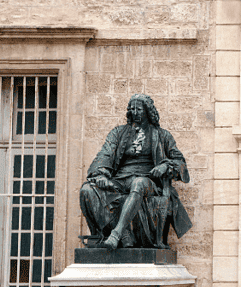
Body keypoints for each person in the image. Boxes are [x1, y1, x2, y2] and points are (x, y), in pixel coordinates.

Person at [79, 94, 192, 250]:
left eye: (139, 109)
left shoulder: (162, 135)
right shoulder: (118, 133)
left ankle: (116, 234)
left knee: (138, 183)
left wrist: (166, 166)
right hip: (119, 180)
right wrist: (101, 174)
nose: (135, 112)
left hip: (147, 180)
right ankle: (126, 236)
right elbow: (104, 155)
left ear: (148, 111)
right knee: (87, 190)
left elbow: (180, 163)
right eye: (131, 109)